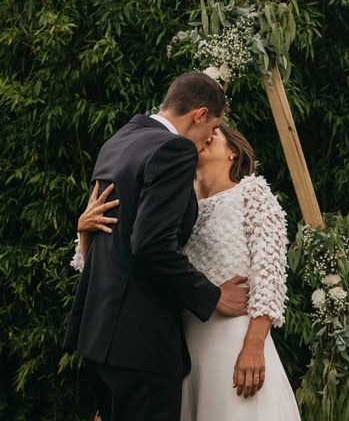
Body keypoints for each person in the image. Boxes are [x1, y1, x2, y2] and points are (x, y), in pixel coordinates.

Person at [74, 124, 301, 420]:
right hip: (180, 345)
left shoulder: (252, 193)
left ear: (233, 152)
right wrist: (83, 231)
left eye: (216, 132)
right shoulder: (176, 197)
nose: (207, 134)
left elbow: (269, 276)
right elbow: (109, 263)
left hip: (234, 340)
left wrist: (254, 345)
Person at [63, 72, 250, 421]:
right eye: (213, 127)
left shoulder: (119, 140)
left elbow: (116, 235)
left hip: (98, 334)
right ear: (199, 114)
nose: (211, 137)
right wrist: (212, 297)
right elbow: (150, 244)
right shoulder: (174, 149)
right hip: (142, 344)